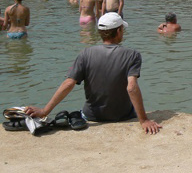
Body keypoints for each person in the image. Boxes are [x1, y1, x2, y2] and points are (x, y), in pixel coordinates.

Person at [24, 13, 161, 134]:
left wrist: (44, 111)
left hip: (92, 116)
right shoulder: (133, 55)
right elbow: (131, 87)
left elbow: (69, 83)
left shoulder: (85, 54)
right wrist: (143, 120)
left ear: (100, 32)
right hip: (123, 115)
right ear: (119, 31)